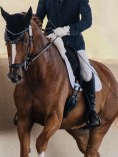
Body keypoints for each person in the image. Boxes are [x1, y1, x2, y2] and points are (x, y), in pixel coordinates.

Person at [36, 0, 101, 128]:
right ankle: (25, 106)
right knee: (34, 62)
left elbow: (87, 21)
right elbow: (39, 18)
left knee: (87, 73)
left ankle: (91, 111)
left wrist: (67, 30)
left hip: (73, 41)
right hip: (51, 39)